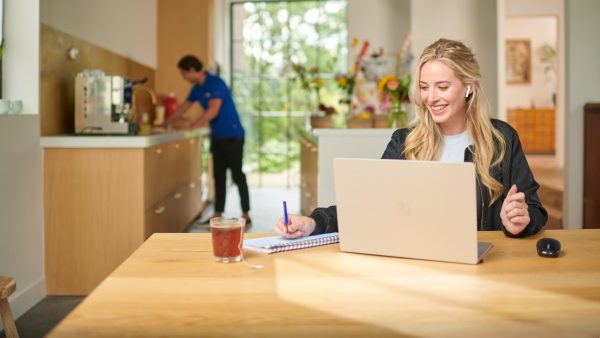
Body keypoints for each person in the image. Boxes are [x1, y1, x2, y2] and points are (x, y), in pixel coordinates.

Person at [275, 38, 547, 238]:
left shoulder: (502, 139)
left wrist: (520, 221)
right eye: (423, 87)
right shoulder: (405, 141)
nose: (431, 98)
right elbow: (368, 203)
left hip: (484, 267)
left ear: (468, 87)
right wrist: (313, 223)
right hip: (416, 262)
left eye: (442, 87)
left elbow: (534, 209)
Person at [166, 55, 251, 225]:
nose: (183, 77)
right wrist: (165, 122)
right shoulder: (197, 88)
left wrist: (192, 127)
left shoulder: (216, 83)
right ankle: (217, 215)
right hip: (217, 136)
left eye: (183, 74)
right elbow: (183, 107)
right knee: (218, 176)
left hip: (233, 135)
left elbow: (213, 110)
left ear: (191, 70)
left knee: (237, 175)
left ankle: (246, 213)